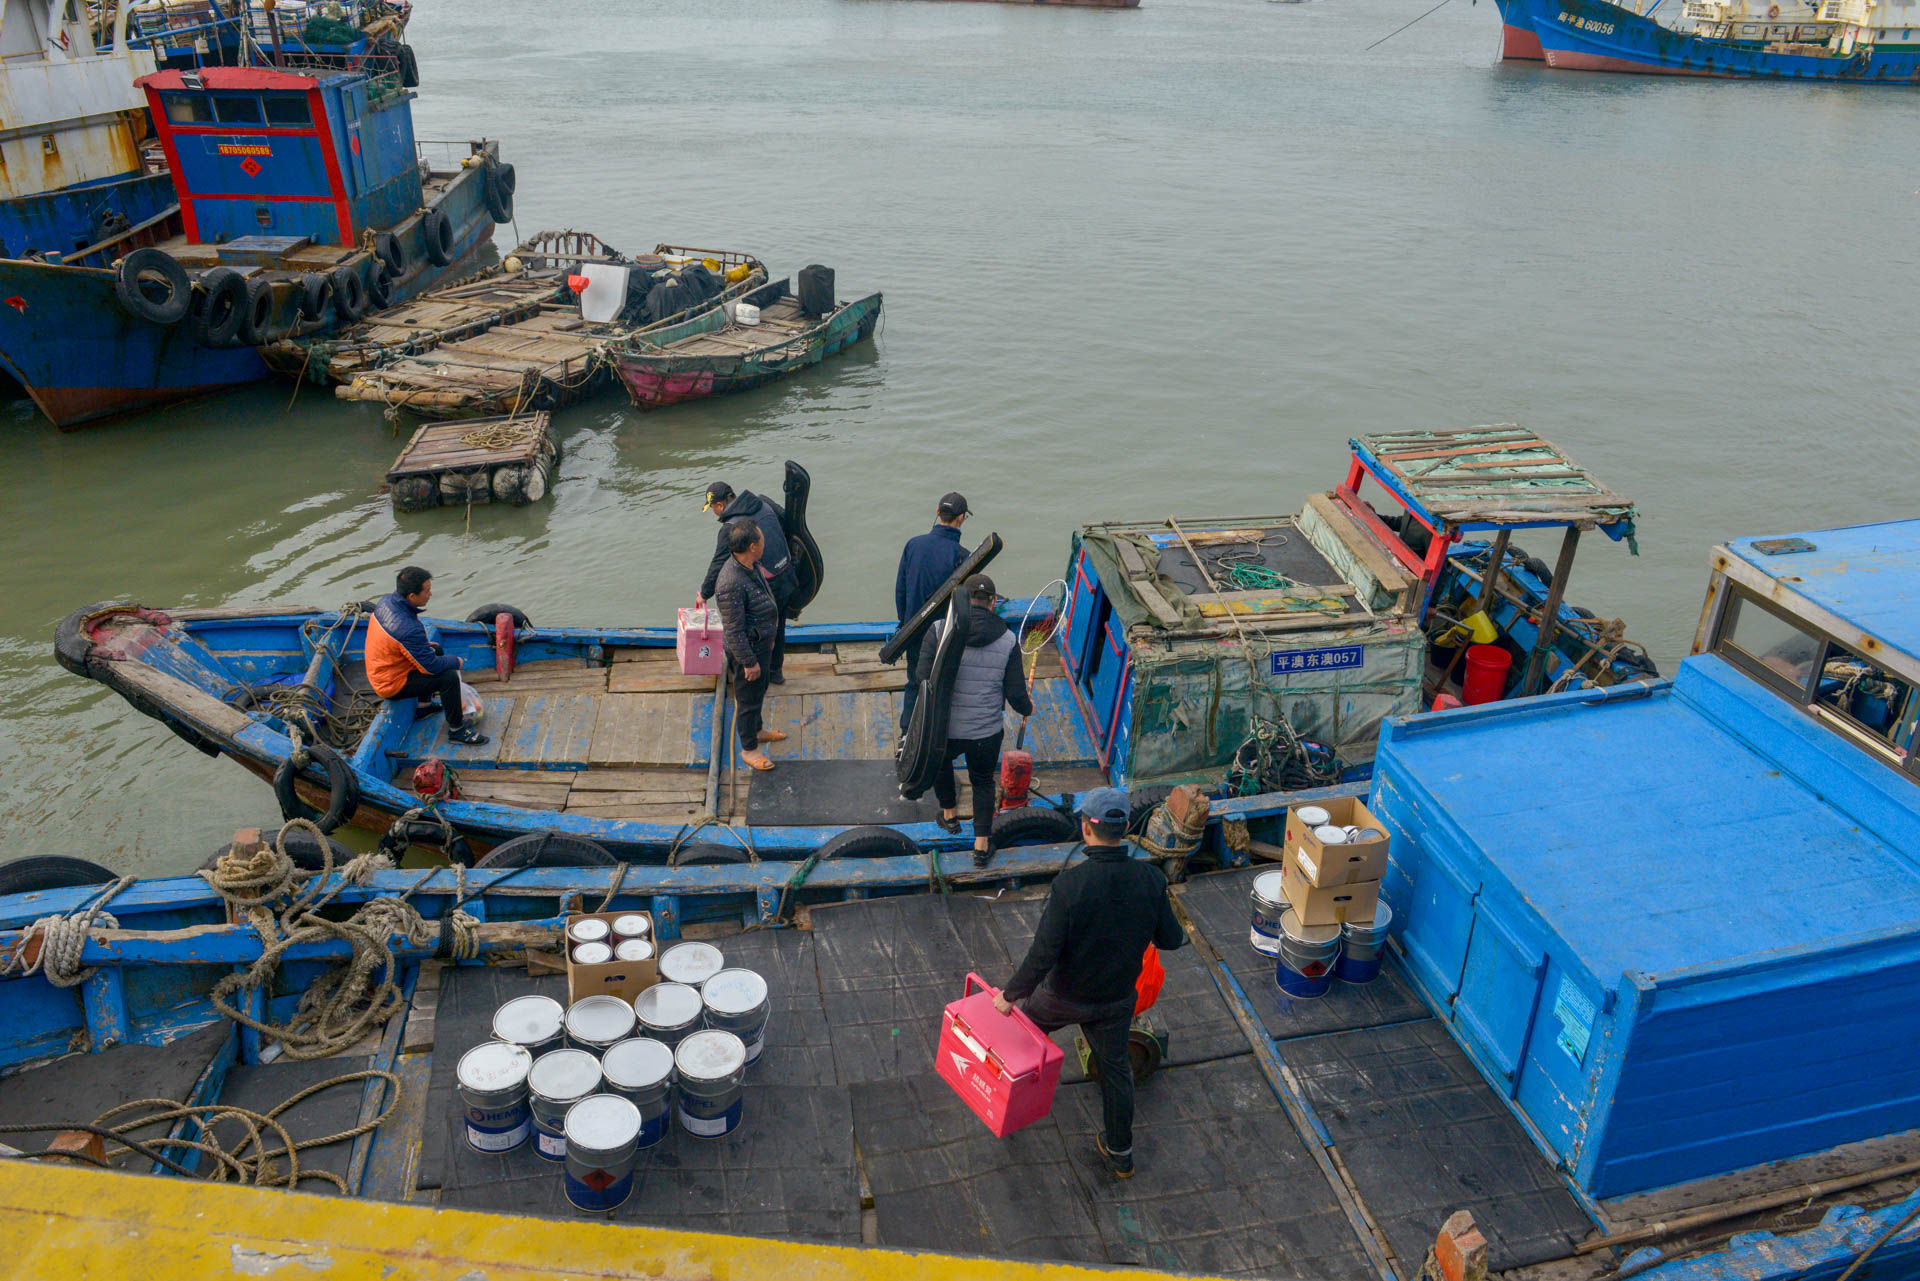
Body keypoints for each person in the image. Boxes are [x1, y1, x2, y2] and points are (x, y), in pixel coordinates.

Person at [993, 787, 1186, 1180]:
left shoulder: (1069, 887)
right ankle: (1121, 1154)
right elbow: (1171, 939)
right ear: (1127, 828)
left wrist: (1010, 995)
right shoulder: (1151, 880)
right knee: (1116, 1073)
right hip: (1115, 1001)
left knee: (1020, 1043)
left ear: (1085, 829)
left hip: (1061, 998)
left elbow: (1042, 955)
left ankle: (1002, 1111)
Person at [914, 573, 1030, 866]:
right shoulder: (1007, 640)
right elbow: (1016, 694)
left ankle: (950, 816)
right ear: (992, 603)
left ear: (963, 600)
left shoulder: (939, 629)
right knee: (981, 781)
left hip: (946, 727)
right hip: (985, 732)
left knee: (942, 763)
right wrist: (1027, 709)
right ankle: (980, 847)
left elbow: (922, 678)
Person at [365, 566, 488, 746]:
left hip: (386, 663)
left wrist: (419, 646)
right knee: (448, 677)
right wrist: (456, 661)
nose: (430, 594)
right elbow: (431, 667)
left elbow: (395, 640)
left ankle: (424, 707)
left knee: (435, 650)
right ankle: (457, 730)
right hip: (389, 682)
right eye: (427, 591)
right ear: (412, 596)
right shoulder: (408, 629)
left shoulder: (387, 602)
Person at [697, 480, 796, 684]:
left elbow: (718, 563)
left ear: (720, 506)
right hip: (787, 575)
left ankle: (757, 678)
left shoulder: (731, 528)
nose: (715, 513)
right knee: (779, 628)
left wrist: (704, 593)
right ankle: (775, 673)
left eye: (713, 508)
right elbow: (789, 525)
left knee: (760, 633)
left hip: (767, 586)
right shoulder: (764, 502)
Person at [712, 518, 788, 772]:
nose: (765, 541)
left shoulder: (750, 566)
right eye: (761, 538)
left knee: (759, 690)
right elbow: (733, 630)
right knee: (747, 702)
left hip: (762, 646)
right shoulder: (731, 582)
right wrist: (749, 662)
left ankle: (757, 730)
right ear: (753, 546)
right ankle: (749, 749)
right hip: (748, 653)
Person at [894, 491, 971, 732]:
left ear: (938, 513)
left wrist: (904, 624)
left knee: (914, 683)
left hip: (913, 631)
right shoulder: (963, 557)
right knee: (944, 685)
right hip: (942, 635)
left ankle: (907, 733)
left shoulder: (913, 545)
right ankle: (936, 733)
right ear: (961, 519)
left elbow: (900, 591)